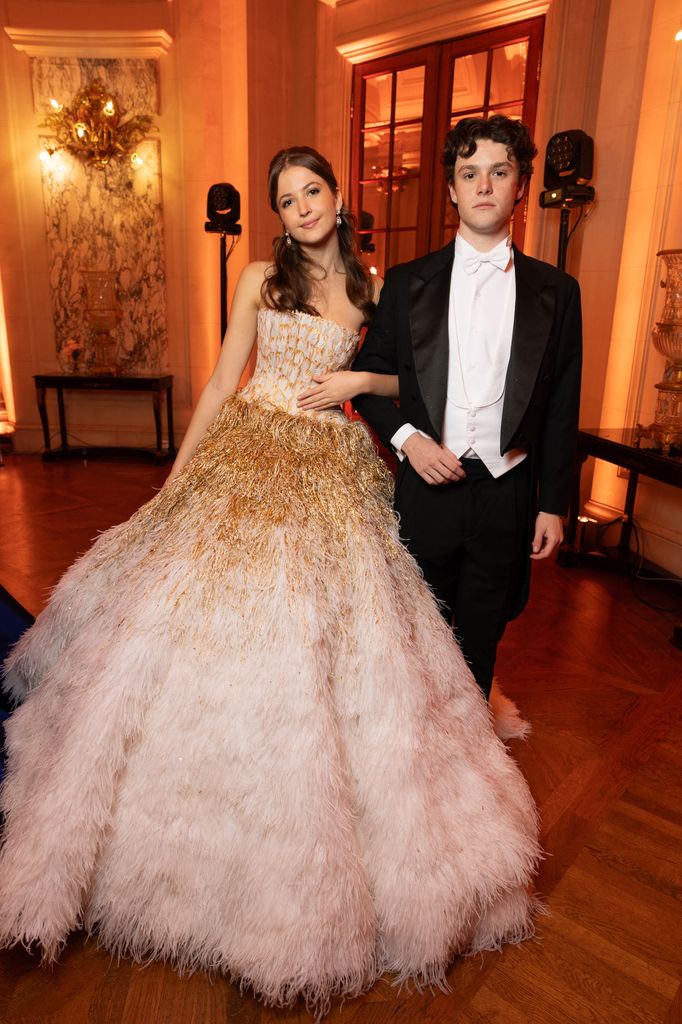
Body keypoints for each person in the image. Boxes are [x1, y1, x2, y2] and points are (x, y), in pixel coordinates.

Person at [0, 146, 541, 1018]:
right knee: (196, 607)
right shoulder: (260, 274)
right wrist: (178, 476)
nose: (300, 210)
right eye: (285, 201)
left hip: (332, 463)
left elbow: (428, 382)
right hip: (250, 446)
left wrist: (359, 379)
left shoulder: (376, 289)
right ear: (277, 215)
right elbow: (222, 381)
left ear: (336, 196)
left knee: (330, 624)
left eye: (311, 193)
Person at [353, 115, 582, 701]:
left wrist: (553, 504)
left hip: (508, 490)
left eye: (498, 172)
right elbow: (366, 379)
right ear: (452, 189)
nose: (484, 185)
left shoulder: (557, 291)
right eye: (469, 173)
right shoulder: (407, 284)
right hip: (428, 486)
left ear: (520, 186)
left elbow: (561, 405)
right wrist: (409, 440)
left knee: (482, 636)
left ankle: (469, 759)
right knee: (416, 633)